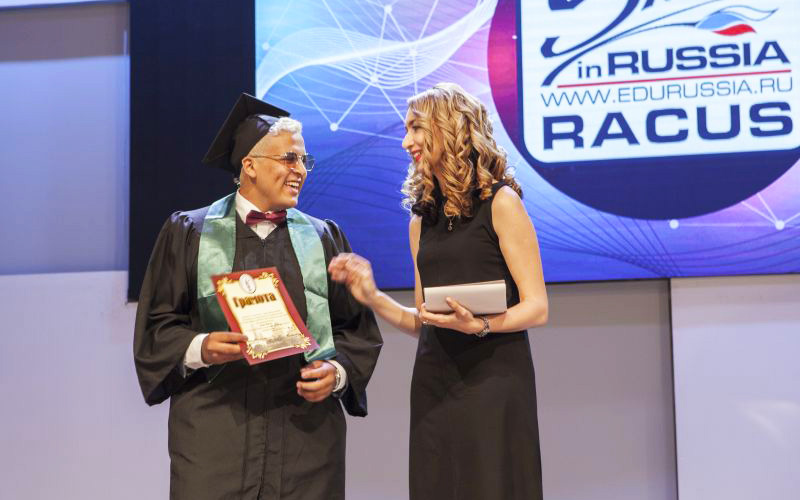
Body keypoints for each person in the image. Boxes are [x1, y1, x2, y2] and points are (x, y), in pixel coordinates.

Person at [133, 93, 383, 500]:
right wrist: (202, 347)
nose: (300, 170)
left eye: (304, 160)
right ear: (249, 165)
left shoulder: (323, 237)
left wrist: (336, 375)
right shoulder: (191, 232)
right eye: (289, 159)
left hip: (306, 440)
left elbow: (356, 330)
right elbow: (157, 326)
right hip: (216, 436)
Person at [328, 82, 548, 499]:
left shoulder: (501, 204)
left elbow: (537, 308)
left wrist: (480, 325)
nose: (405, 141)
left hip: (494, 379)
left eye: (416, 128)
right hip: (434, 381)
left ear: (450, 129)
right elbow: (423, 321)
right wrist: (372, 295)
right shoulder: (421, 220)